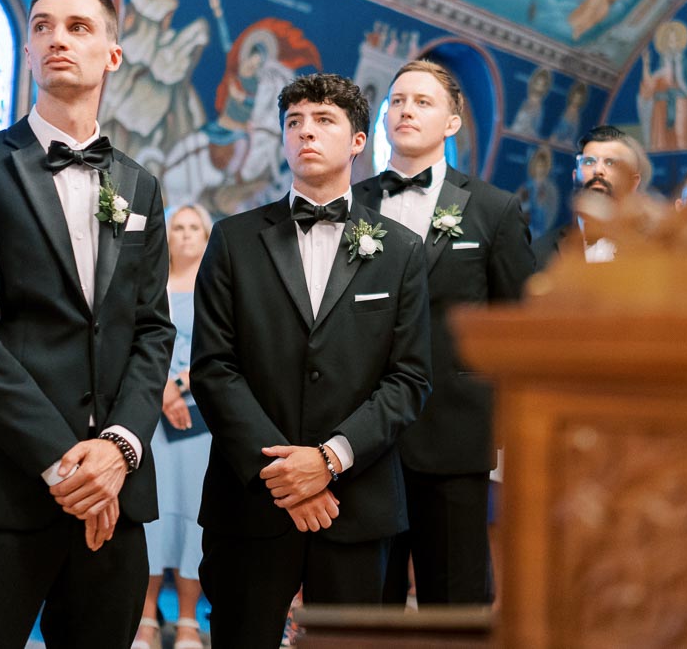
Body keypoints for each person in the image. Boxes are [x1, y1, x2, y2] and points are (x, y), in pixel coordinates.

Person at [0, 0, 175, 649]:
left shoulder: (140, 185)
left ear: (113, 55)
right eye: (42, 27)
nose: (57, 38)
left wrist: (119, 449)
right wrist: (67, 463)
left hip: (114, 494)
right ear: (29, 54)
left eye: (78, 26)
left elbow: (152, 329)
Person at [191, 72, 432, 648]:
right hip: (251, 499)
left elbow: (409, 378)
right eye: (294, 122)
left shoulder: (399, 251)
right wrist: (285, 475)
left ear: (357, 141)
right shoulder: (233, 239)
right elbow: (214, 367)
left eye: (323, 120)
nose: (305, 133)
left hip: (355, 500)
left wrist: (328, 460)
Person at [353, 60, 534, 606]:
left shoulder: (493, 209)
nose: (407, 110)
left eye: (423, 102)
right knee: (365, 600)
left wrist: (505, 418)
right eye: (398, 101)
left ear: (454, 123)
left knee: (454, 600)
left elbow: (517, 325)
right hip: (362, 434)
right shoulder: (352, 203)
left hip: (455, 428)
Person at [133, 205, 213, 649]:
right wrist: (161, 389)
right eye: (177, 227)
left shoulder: (218, 287)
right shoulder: (150, 287)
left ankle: (187, 620)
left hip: (201, 420)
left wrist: (178, 385)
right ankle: (145, 616)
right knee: (153, 515)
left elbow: (225, 348)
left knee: (192, 516)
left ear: (206, 236)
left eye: (193, 227)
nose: (184, 235)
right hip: (151, 417)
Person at [535, 124, 651, 267]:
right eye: (589, 162)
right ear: (574, 176)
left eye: (610, 163)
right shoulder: (540, 253)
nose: (598, 170)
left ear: (633, 183)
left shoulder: (656, 248)